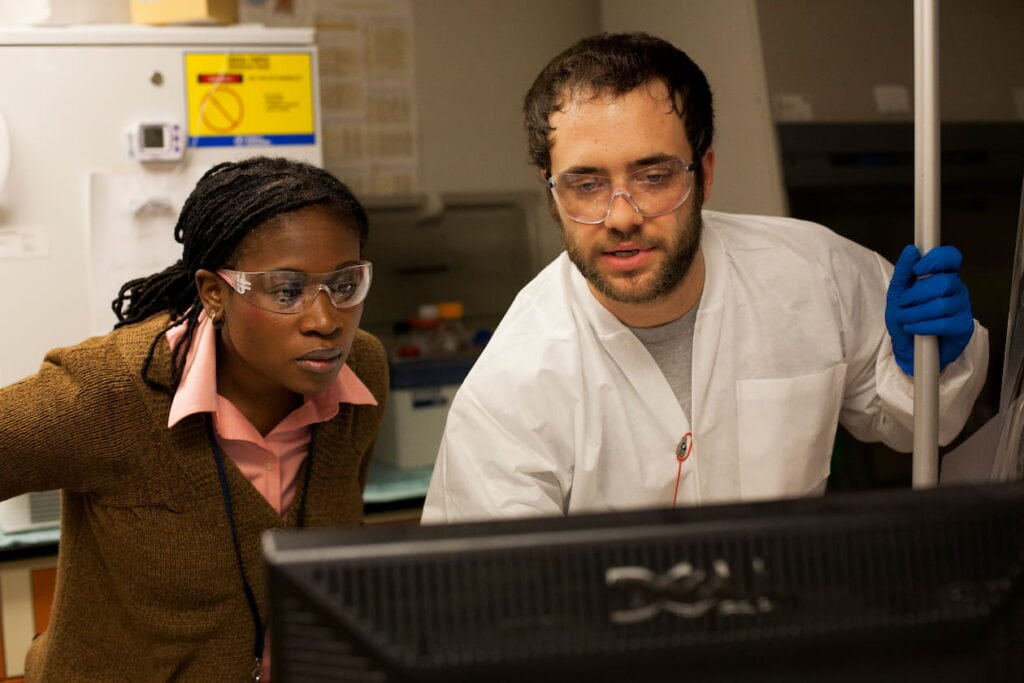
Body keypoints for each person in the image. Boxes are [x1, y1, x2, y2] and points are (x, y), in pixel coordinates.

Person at [422, 32, 988, 523]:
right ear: (552, 193)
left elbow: (915, 430)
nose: (622, 215)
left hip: (790, 632)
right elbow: (485, 599)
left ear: (705, 173)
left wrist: (932, 366)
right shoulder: (513, 383)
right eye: (586, 184)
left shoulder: (815, 274)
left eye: (653, 176)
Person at [0, 156, 388, 680]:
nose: (325, 322)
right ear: (214, 292)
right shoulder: (113, 390)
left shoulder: (362, 369)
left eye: (344, 285)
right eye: (287, 291)